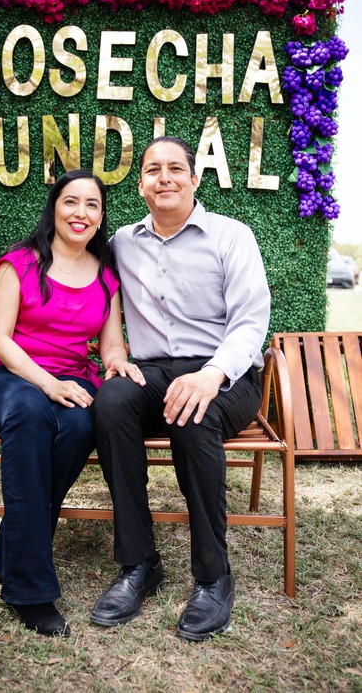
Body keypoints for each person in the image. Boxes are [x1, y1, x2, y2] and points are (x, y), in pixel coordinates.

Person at [89, 136, 271, 641]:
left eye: (175, 169)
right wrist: (11, 284)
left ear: (194, 179)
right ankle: (139, 564)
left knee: (193, 414)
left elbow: (251, 320)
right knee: (111, 402)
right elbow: (68, 260)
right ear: (141, 184)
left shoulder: (231, 235)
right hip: (153, 372)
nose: (164, 177)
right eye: (153, 170)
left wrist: (211, 374)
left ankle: (213, 576)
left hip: (226, 374)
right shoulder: (122, 242)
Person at [0, 169, 145, 638]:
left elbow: (111, 343)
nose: (81, 212)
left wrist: (117, 362)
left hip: (67, 382)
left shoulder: (105, 274)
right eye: (71, 201)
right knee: (29, 410)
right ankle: (29, 590)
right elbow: (0, 340)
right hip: (0, 379)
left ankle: (10, 550)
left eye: (92, 204)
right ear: (54, 208)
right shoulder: (19, 264)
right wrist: (47, 384)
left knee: (81, 425)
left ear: (100, 217)